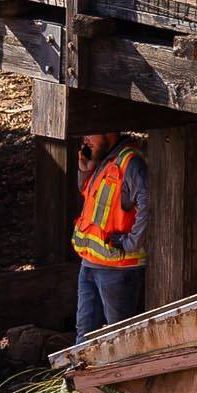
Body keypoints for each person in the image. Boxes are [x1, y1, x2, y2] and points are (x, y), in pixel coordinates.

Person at [72, 130, 149, 338]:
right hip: (90, 263)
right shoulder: (106, 160)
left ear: (110, 131)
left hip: (119, 269)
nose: (85, 139)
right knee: (85, 334)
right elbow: (89, 196)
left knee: (119, 338)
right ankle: (80, 372)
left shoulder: (130, 162)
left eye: (91, 133)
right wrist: (85, 170)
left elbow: (149, 204)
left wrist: (131, 243)